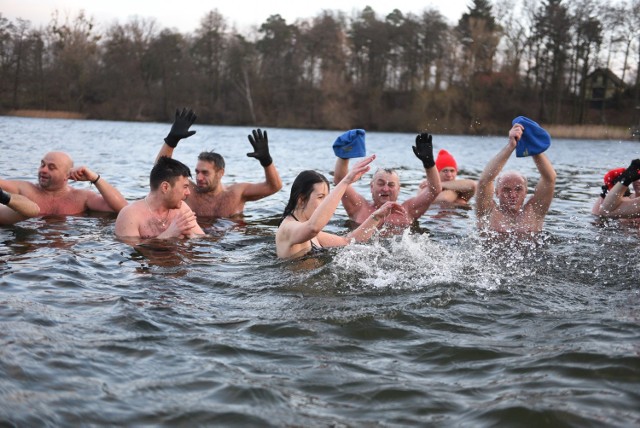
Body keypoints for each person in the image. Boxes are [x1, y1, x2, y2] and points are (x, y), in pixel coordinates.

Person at [155, 108, 282, 218]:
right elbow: (159, 173)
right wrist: (171, 140)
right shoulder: (188, 191)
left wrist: (266, 161)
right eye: (197, 172)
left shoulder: (237, 193)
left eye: (205, 173)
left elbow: (274, 187)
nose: (199, 178)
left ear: (220, 173)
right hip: (196, 241)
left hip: (230, 242)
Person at [276, 155, 404, 259]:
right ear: (301, 199)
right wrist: (346, 181)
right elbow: (313, 227)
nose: (325, 204)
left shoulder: (309, 231)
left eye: (327, 198)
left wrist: (377, 216)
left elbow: (350, 241)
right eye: (321, 197)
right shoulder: (288, 228)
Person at [332, 132, 442, 229]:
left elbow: (434, 190)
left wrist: (429, 163)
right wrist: (344, 157)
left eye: (391, 185)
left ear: (399, 189)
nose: (385, 189)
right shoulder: (359, 207)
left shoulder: (408, 210)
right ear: (371, 187)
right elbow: (340, 182)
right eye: (380, 184)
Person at [476, 123, 556, 234]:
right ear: (497, 192)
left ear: (526, 192)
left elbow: (549, 179)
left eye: (518, 189)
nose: (513, 195)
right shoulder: (488, 211)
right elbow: (484, 181)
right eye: (506, 190)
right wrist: (510, 146)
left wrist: (533, 147)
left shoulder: (535, 211)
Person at [0, 151, 127, 219]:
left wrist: (95, 178)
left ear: (67, 175)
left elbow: (123, 209)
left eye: (51, 167)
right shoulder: (24, 188)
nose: (43, 170)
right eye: (42, 165)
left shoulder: (82, 197)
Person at [115, 156, 204, 239]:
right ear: (165, 187)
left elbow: (202, 240)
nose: (188, 193)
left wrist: (192, 236)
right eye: (184, 187)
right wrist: (168, 234)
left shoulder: (182, 209)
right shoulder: (130, 215)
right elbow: (132, 251)